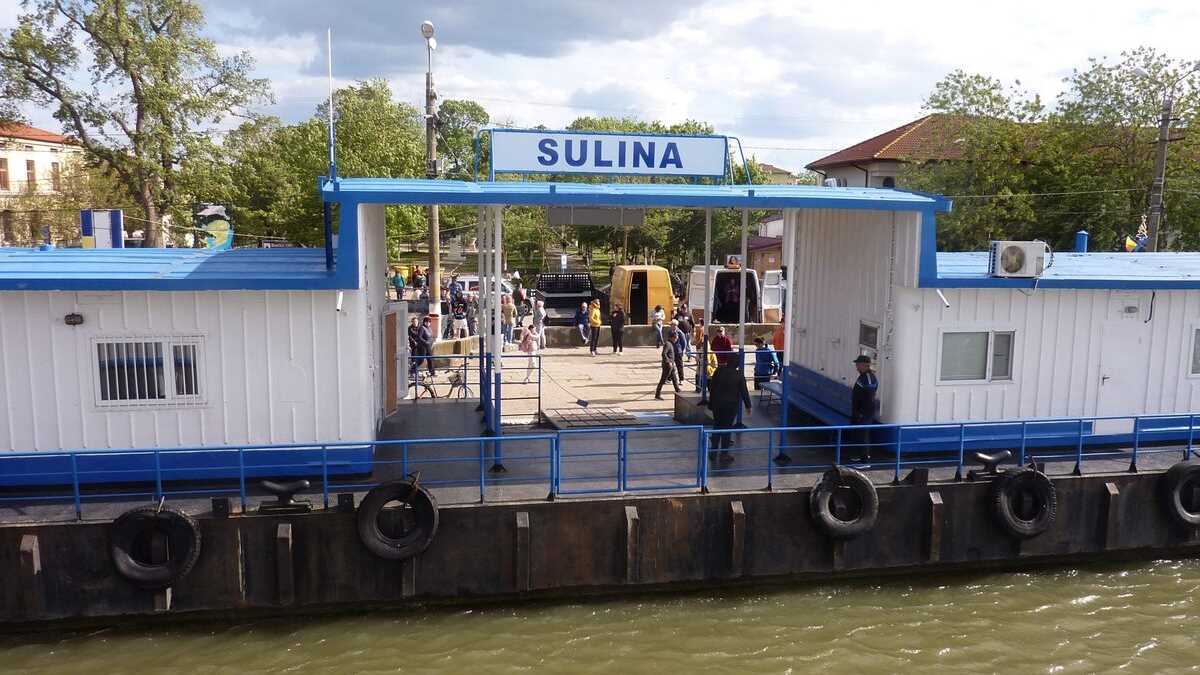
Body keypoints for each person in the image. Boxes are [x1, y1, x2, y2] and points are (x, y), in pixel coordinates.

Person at [707, 362, 751, 466]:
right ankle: (724, 454)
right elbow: (744, 391)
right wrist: (748, 405)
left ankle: (713, 452)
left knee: (717, 426)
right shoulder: (738, 375)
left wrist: (710, 403)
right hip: (730, 407)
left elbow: (712, 387)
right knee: (726, 428)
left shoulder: (718, 371)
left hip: (717, 405)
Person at [850, 355, 879, 462]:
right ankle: (859, 455)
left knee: (863, 434)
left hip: (864, 413)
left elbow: (869, 397)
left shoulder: (868, 378)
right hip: (858, 411)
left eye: (858, 364)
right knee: (857, 433)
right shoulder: (862, 376)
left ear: (865, 365)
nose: (856, 367)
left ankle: (865, 460)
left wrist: (862, 412)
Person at [655, 331, 682, 400]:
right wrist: (668, 362)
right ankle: (657, 394)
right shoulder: (667, 344)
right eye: (676, 338)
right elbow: (664, 354)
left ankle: (677, 389)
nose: (676, 339)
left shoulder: (671, 344)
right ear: (673, 337)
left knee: (674, 378)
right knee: (663, 380)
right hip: (667, 365)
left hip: (671, 365)